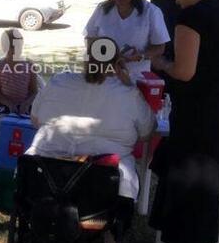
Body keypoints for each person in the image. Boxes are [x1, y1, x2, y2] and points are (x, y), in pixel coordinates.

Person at [148, 0, 219, 243]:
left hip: (197, 112)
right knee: (208, 181)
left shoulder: (192, 17)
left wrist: (162, 64)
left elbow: (184, 71)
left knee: (190, 179)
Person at [26, 40, 155, 205]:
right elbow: (147, 132)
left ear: (85, 60)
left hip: (44, 177)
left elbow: (35, 120)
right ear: (117, 65)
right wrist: (129, 85)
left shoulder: (58, 82)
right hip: (102, 188)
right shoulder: (129, 94)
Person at [84, 0, 170, 80]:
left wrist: (142, 55)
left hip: (137, 79)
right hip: (106, 77)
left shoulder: (151, 12)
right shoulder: (102, 9)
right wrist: (105, 56)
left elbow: (160, 47)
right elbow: (90, 37)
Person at [0, 28, 39, 116]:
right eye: (11, 47)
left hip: (25, 105)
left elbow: (34, 91)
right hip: (4, 105)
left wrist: (26, 104)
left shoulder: (30, 66)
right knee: (5, 124)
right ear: (4, 48)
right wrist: (9, 104)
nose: (15, 50)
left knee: (30, 124)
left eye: (18, 46)